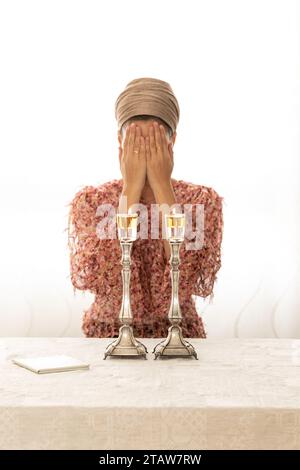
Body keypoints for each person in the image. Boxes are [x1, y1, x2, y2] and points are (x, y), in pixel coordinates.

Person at [67, 77, 223, 338]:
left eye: (154, 141)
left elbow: (183, 283)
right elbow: (110, 284)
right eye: (135, 141)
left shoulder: (202, 201)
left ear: (171, 142)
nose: (145, 150)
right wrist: (130, 190)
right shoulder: (92, 202)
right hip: (108, 336)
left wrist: (163, 187)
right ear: (120, 140)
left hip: (179, 336)